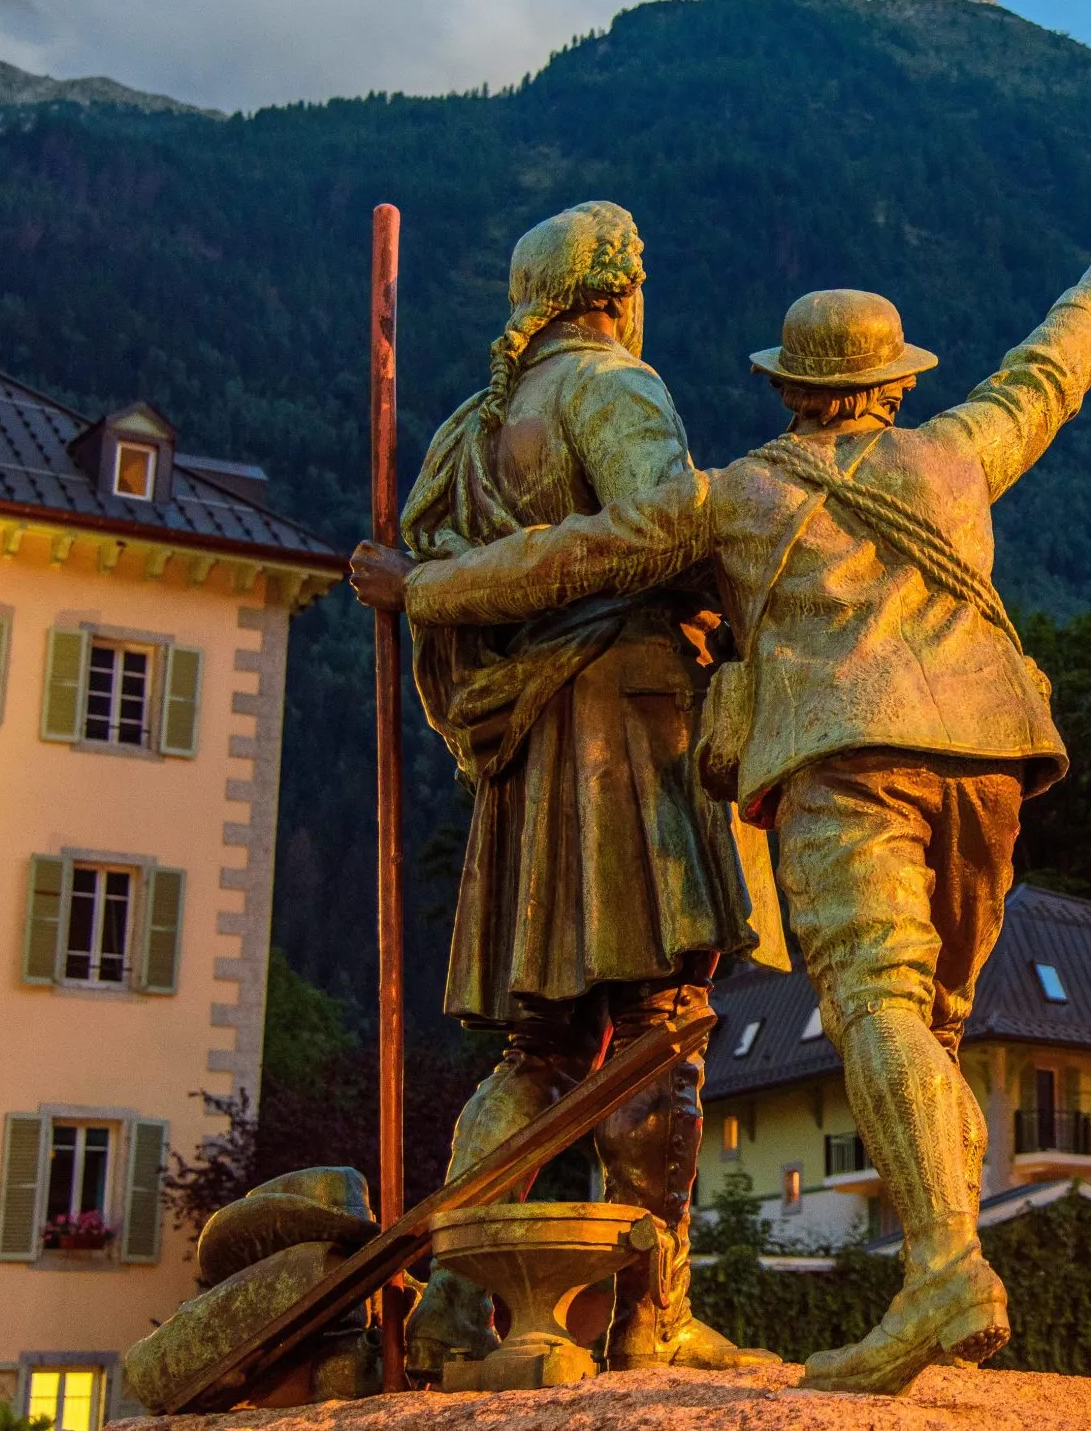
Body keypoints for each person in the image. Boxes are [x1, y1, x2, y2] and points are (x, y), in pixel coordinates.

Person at [352, 255, 1091, 1393]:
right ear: (897, 380)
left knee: (876, 1004)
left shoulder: (734, 496)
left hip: (845, 762)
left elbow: (578, 553)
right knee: (936, 1021)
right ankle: (935, 1260)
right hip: (994, 759)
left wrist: (422, 586)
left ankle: (946, 1272)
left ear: (788, 388)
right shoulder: (958, 452)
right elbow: (1042, 378)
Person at [356, 201, 780, 1375]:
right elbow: (657, 528)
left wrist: (431, 590)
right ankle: (655, 1313)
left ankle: (452, 1302)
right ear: (615, 290)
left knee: (537, 1047)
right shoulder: (612, 386)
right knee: (658, 1025)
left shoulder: (463, 436)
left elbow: (430, 586)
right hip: (629, 727)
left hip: (530, 746)